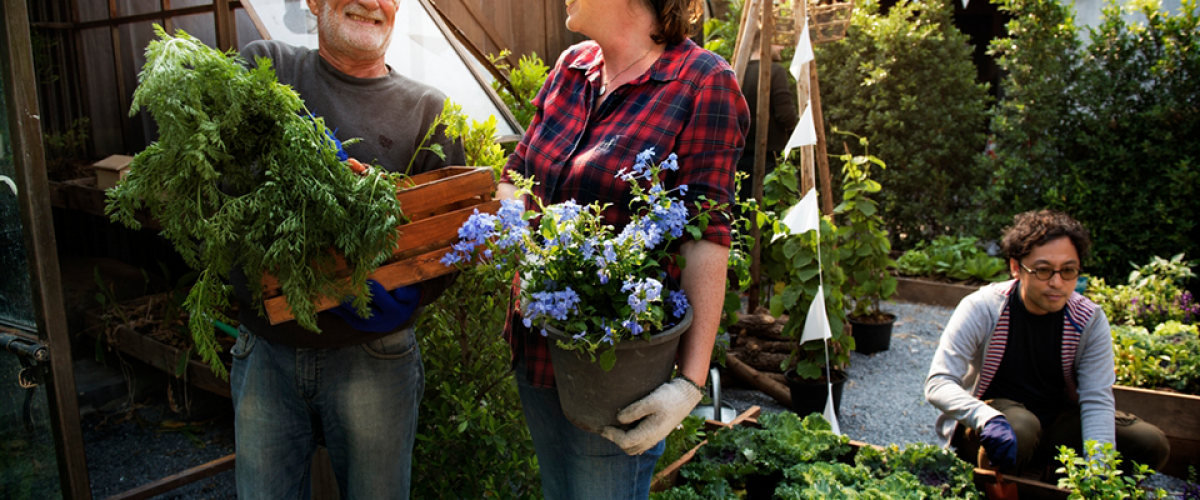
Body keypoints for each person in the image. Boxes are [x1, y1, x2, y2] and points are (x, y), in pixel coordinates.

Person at [497, 0, 749, 497]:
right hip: (539, 345)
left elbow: (708, 237)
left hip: (620, 369)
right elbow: (516, 176)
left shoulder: (701, 82)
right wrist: (522, 247)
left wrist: (689, 384)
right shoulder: (572, 68)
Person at [226, 0, 464, 498]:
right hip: (267, 348)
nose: (369, 3)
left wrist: (394, 288)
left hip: (374, 356)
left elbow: (448, 243)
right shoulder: (266, 68)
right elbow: (223, 187)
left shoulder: (429, 110)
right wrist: (327, 180)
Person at [925, 210, 1169, 476]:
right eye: (1043, 270)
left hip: (1053, 427)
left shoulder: (1088, 320)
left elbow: (1096, 400)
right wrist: (985, 417)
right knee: (1020, 426)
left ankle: (1055, 482)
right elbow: (939, 383)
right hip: (991, 430)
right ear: (1016, 268)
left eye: (1068, 270)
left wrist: (1100, 473)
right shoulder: (982, 308)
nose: (1057, 283)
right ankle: (996, 485)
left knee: (1149, 442)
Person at [736, 35, 798, 202]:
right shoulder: (775, 72)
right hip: (769, 160)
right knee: (776, 214)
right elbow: (786, 117)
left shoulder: (737, 72)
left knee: (744, 216)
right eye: (778, 42)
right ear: (764, 43)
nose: (782, 48)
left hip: (738, 161)